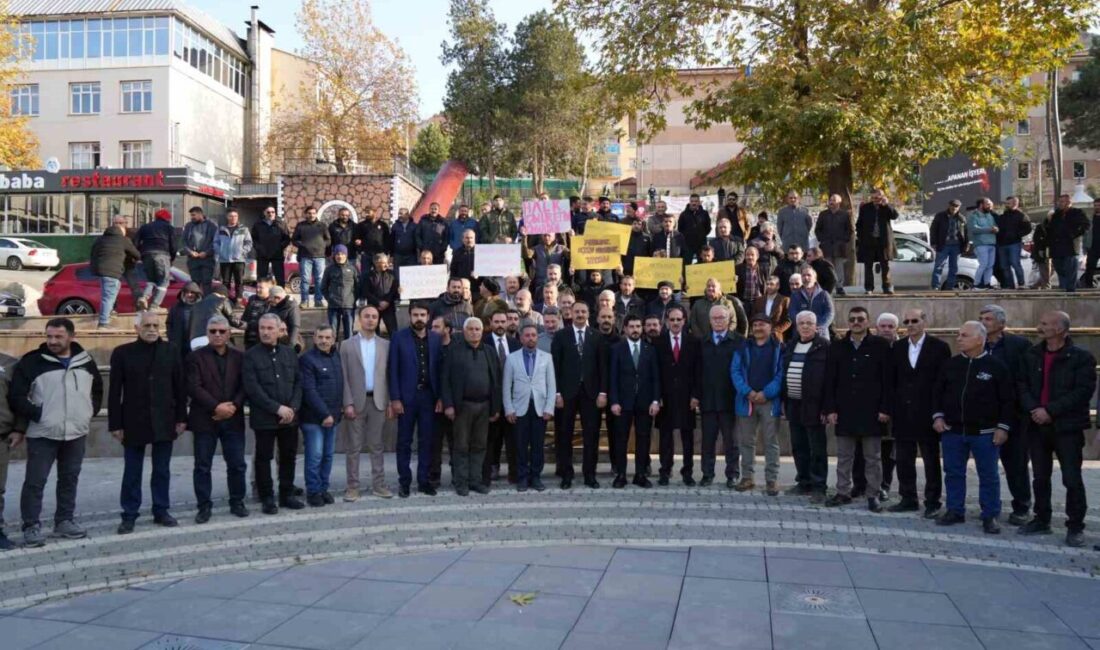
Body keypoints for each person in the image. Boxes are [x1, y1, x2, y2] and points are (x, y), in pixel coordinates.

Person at [9, 318, 103, 546]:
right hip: (43, 433)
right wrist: (39, 414)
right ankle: (31, 526)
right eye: (49, 336)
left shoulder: (85, 361)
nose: (52, 341)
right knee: (35, 482)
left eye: (58, 337)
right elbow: (17, 396)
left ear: (71, 337)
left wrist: (86, 413)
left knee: (69, 479)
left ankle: (64, 521)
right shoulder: (32, 362)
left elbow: (97, 390)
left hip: (76, 432)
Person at [1016, 311, 1096, 546]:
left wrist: (1050, 410)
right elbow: (1021, 385)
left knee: (1071, 478)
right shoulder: (1032, 354)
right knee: (1040, 477)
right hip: (1036, 425)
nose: (1040, 327)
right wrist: (1034, 409)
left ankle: (1075, 526)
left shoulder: (1081, 357)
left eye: (1045, 324)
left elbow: (1083, 392)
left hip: (1067, 427)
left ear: (1060, 329)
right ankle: (1042, 518)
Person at [932, 320, 1014, 534]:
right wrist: (938, 417)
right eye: (959, 334)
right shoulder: (950, 364)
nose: (959, 338)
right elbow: (937, 394)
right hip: (953, 431)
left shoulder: (996, 366)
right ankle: (955, 510)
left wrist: (1002, 427)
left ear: (980, 339)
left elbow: (1007, 400)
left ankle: (990, 515)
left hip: (985, 433)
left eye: (964, 335)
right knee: (953, 472)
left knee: (988, 475)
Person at [109, 311, 186, 534]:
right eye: (147, 326)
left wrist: (182, 418)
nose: (152, 329)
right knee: (132, 470)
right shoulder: (122, 353)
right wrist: (115, 424)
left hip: (165, 419)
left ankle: (161, 509)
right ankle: (129, 514)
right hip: (134, 420)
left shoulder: (170, 350)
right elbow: (114, 392)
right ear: (136, 329)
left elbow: (180, 387)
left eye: (155, 325)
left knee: (162, 469)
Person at [824, 306, 890, 512]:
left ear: (868, 322)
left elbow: (888, 381)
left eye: (860, 319)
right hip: (844, 411)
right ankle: (843, 492)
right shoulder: (838, 346)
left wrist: (885, 409)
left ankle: (873, 494)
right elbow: (830, 381)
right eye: (852, 319)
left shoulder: (880, 345)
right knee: (844, 457)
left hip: (872, 412)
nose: (856, 322)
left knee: (873, 458)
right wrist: (831, 409)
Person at [886, 309, 950, 517]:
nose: (911, 324)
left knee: (931, 460)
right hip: (903, 413)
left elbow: (943, 382)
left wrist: (939, 412)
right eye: (907, 321)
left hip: (928, 412)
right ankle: (908, 498)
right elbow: (892, 381)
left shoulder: (939, 347)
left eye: (915, 320)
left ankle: (932, 501)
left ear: (924, 321)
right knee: (904, 459)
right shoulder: (898, 347)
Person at [186, 315, 249, 523]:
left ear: (229, 333)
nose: (218, 335)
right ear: (207, 333)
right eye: (213, 331)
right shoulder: (195, 357)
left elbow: (244, 386)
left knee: (237, 464)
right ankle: (204, 506)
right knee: (202, 465)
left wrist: (233, 406)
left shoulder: (240, 357)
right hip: (205, 419)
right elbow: (194, 387)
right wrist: (216, 407)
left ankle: (237, 501)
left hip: (233, 418)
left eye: (222, 331)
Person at [243, 314, 303, 514]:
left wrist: (292, 408)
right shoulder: (251, 355)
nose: (266, 332)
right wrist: (277, 408)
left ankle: (286, 494)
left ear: (279, 330)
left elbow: (298, 383)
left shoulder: (289, 353)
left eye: (270, 328)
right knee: (263, 458)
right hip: (265, 417)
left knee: (288, 457)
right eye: (262, 328)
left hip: (289, 418)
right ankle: (267, 497)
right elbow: (253, 389)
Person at [979, 304, 1033, 525]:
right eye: (981, 318)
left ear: (1001, 323)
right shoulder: (975, 343)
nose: (983, 322)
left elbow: (1026, 378)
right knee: (986, 466)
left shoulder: (1019, 345)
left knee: (1016, 464)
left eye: (988, 319)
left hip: (1013, 415)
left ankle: (1021, 507)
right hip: (984, 415)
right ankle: (989, 507)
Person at [388, 303, 443, 497]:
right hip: (406, 398)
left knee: (426, 441)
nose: (419, 318)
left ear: (428, 317)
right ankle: (404, 482)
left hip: (429, 397)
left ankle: (423, 480)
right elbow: (392, 370)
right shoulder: (398, 337)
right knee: (404, 441)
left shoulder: (436, 339)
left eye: (422, 315)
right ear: (409, 316)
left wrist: (441, 397)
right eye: (415, 315)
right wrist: (395, 398)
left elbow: (440, 371)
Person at [338, 306, 393, 501]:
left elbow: (388, 376)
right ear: (359, 319)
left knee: (377, 446)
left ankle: (379, 484)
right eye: (367, 316)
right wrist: (347, 403)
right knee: (353, 447)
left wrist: (388, 402)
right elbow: (343, 376)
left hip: (378, 401)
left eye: (374, 317)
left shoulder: (386, 345)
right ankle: (352, 487)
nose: (370, 320)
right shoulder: (346, 345)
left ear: (378, 320)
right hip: (355, 402)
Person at [442, 317, 502, 495]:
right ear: (464, 331)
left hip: (484, 407)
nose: (474, 332)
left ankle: (475, 480)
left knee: (479, 446)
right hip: (462, 407)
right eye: (471, 329)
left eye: (478, 329)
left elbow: (496, 380)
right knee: (460, 446)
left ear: (482, 331)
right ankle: (461, 482)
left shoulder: (489, 351)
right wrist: (448, 405)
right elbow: (445, 379)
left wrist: (496, 408)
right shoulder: (454, 351)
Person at [551, 301, 607, 489]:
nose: (580, 314)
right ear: (570, 313)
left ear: (589, 314)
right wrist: (557, 393)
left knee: (591, 435)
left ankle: (589, 474)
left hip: (591, 393)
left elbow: (602, 368)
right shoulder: (561, 336)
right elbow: (555, 367)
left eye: (583, 311)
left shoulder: (597, 337)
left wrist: (602, 392)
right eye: (577, 312)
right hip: (566, 393)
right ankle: (566, 474)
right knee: (564, 434)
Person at [606, 314, 661, 488]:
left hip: (645, 403)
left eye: (638, 326)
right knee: (621, 439)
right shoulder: (616, 349)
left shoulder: (650, 349)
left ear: (642, 328)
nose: (635, 330)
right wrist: (613, 401)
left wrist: (655, 400)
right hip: (623, 403)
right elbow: (612, 378)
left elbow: (656, 378)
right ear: (625, 329)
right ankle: (621, 474)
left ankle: (640, 474)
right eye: (632, 327)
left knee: (643, 438)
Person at [731, 315, 784, 495]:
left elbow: (780, 375)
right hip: (747, 401)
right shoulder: (743, 346)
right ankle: (747, 477)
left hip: (770, 401)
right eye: (755, 325)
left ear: (770, 327)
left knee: (771, 442)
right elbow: (735, 371)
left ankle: (772, 480)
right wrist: (748, 392)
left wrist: (766, 393)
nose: (758, 328)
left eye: (762, 324)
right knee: (746, 441)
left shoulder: (779, 348)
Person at [782, 311, 830, 499]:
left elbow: (829, 380)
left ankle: (819, 486)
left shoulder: (823, 346)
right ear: (796, 325)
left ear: (816, 325)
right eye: (801, 323)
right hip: (794, 404)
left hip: (815, 406)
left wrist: (827, 408)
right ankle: (804, 481)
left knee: (817, 448)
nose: (805, 326)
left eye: (809, 323)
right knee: (798, 446)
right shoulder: (791, 344)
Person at [503, 324, 556, 492]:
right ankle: (522, 477)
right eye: (527, 335)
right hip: (519, 408)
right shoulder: (512, 358)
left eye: (534, 335)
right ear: (521, 338)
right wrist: (508, 408)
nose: (531, 338)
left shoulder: (546, 358)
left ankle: (536, 476)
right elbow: (506, 386)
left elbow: (551, 385)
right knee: (520, 445)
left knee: (538, 444)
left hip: (540, 408)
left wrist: (549, 407)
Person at [696, 305, 742, 488]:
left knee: (731, 441)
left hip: (729, 400)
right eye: (714, 318)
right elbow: (696, 373)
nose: (718, 321)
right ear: (709, 320)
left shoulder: (738, 341)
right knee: (707, 441)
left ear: (728, 319)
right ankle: (707, 474)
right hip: (707, 400)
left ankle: (732, 475)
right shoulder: (702, 342)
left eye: (721, 318)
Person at [653, 304, 699, 485]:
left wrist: (696, 395)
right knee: (665, 437)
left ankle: (687, 472)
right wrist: (657, 397)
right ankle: (665, 470)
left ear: (684, 321)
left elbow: (698, 371)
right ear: (666, 321)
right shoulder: (658, 342)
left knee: (687, 437)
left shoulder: (693, 342)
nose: (675, 322)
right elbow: (655, 373)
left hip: (687, 397)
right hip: (665, 397)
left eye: (679, 319)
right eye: (672, 319)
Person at [297, 325, 343, 507]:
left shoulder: (336, 357)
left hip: (333, 418)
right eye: (320, 337)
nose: (324, 341)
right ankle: (313, 491)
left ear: (333, 340)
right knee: (315, 456)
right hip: (313, 419)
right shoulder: (307, 360)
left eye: (327, 337)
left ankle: (324, 488)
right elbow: (309, 390)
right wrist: (325, 414)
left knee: (328, 456)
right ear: (314, 339)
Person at [485, 311, 521, 485]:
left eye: (503, 322)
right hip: (491, 398)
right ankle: (492, 467)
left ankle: (514, 473)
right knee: (492, 438)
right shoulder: (484, 342)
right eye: (496, 321)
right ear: (490, 322)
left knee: (512, 438)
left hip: (512, 399)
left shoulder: (515, 343)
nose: (500, 325)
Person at [90, 224, 140, 328]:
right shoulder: (123, 240)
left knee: (112, 291)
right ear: (121, 232)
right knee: (108, 297)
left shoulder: (100, 240)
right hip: (113, 271)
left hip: (101, 271)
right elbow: (136, 254)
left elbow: (93, 254)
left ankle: (110, 312)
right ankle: (103, 323)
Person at [856, 189, 898, 294]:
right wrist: (861, 237)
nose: (875, 200)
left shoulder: (886, 207)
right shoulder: (865, 208)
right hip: (869, 241)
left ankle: (887, 287)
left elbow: (895, 216)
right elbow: (859, 224)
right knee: (868, 266)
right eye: (874, 198)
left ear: (883, 197)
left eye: (878, 198)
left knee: (885, 266)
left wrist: (886, 204)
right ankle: (869, 288)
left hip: (883, 242)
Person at [136, 208, 178, 309]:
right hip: (162, 254)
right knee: (164, 281)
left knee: (151, 279)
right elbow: (173, 246)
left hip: (146, 255)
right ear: (168, 218)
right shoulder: (169, 228)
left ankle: (144, 297)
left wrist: (141, 254)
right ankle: (155, 305)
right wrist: (171, 259)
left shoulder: (145, 227)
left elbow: (135, 242)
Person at [1048, 194, 1090, 291]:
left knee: (1070, 268)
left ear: (1068, 203)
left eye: (1062, 202)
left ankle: (1070, 290)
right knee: (1059, 268)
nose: (1060, 204)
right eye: (1059, 202)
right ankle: (1064, 288)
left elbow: (1086, 225)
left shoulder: (1077, 213)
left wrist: (1074, 234)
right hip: (1057, 247)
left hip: (1070, 246)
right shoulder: (1056, 215)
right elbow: (1051, 229)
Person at [292, 206, 331, 308]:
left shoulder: (322, 226)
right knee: (305, 280)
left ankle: (318, 301)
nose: (311, 215)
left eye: (313, 213)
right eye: (309, 213)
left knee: (319, 280)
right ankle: (304, 301)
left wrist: (322, 245)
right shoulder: (300, 226)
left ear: (316, 214)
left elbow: (328, 240)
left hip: (320, 257)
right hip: (305, 256)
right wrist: (303, 245)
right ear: (306, 214)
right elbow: (294, 240)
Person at [814, 194, 853, 294]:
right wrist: (822, 240)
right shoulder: (823, 214)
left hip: (839, 247)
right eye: (830, 200)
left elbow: (849, 230)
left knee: (839, 267)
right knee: (827, 267)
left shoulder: (844, 215)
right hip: (826, 246)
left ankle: (839, 287)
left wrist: (844, 240)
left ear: (839, 202)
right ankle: (828, 287)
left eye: (834, 200)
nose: (831, 202)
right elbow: (818, 229)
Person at [319, 244, 358, 341]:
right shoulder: (329, 269)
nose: (340, 256)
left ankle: (348, 354)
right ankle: (332, 354)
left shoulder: (353, 268)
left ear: (346, 255)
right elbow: (323, 287)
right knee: (332, 334)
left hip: (348, 306)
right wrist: (330, 298)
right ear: (334, 255)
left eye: (342, 254)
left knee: (349, 334)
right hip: (333, 306)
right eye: (337, 254)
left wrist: (353, 299)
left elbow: (358, 286)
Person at [930, 199, 968, 290]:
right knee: (938, 266)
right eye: (953, 205)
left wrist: (967, 245)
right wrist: (934, 243)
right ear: (949, 205)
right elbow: (933, 230)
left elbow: (966, 233)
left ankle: (949, 287)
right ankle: (935, 286)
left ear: (959, 207)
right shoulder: (940, 216)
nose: (954, 208)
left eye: (956, 206)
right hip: (943, 245)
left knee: (953, 268)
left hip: (956, 246)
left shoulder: (962, 218)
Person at [214, 209, 252, 301]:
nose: (233, 218)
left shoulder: (243, 229)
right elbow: (216, 242)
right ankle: (226, 301)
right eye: (231, 216)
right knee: (225, 282)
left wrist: (242, 252)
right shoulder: (221, 229)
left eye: (235, 216)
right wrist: (221, 252)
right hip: (225, 259)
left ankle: (238, 300)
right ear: (227, 217)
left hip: (239, 260)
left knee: (239, 281)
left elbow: (249, 242)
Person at [995, 196, 1032, 289]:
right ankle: (1010, 285)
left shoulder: (1021, 215)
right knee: (1004, 266)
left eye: (1009, 203)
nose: (1006, 205)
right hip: (1002, 244)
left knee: (1015, 263)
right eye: (1006, 203)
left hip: (1014, 243)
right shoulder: (1002, 216)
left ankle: (1021, 284)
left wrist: (1017, 235)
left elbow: (1028, 228)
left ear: (1015, 203)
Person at [788, 267, 834, 340]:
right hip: (800, 334)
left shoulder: (824, 294)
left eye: (809, 275)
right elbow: (792, 312)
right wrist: (803, 325)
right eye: (803, 275)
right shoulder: (795, 295)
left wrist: (819, 327)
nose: (806, 277)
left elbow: (829, 313)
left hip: (820, 334)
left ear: (815, 278)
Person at [182, 206, 218, 294]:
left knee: (207, 282)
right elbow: (183, 241)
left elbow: (216, 242)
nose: (192, 217)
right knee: (194, 283)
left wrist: (207, 252)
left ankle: (206, 304)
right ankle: (196, 303)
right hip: (193, 259)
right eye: (191, 215)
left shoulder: (212, 225)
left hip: (207, 259)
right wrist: (190, 252)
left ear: (200, 214)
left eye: (194, 215)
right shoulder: (188, 226)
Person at [360, 253, 398, 337]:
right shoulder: (368, 275)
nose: (386, 265)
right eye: (383, 263)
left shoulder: (392, 274)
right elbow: (366, 292)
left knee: (393, 332)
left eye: (386, 262)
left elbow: (394, 290)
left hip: (389, 307)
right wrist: (378, 302)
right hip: (373, 307)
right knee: (373, 333)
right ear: (376, 263)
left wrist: (387, 301)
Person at [252, 206, 291, 286]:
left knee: (279, 278)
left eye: (273, 212)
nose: (270, 214)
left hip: (277, 255)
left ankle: (280, 296)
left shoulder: (281, 224)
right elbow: (253, 239)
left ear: (275, 213)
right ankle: (261, 296)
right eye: (268, 212)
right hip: (262, 255)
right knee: (261, 278)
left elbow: (287, 238)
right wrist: (259, 248)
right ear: (264, 213)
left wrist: (279, 247)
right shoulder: (258, 225)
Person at [966, 197, 998, 289]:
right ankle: (976, 284)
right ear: (981, 205)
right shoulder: (973, 215)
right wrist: (989, 229)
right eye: (987, 204)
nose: (990, 206)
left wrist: (996, 229)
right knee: (983, 264)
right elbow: (974, 229)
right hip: (980, 244)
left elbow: (995, 225)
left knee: (990, 265)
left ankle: (987, 283)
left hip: (992, 243)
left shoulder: (990, 215)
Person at [751, 275, 790, 342]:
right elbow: (754, 317)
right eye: (767, 284)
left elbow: (788, 320)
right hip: (760, 335)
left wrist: (776, 330)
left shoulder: (784, 300)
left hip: (776, 336)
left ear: (778, 286)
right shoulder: (759, 300)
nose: (768, 286)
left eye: (771, 284)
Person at [678, 193, 711, 263]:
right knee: (686, 264)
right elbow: (680, 229)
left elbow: (708, 228)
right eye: (692, 201)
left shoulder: (704, 214)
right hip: (687, 244)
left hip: (701, 244)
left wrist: (701, 234)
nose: (694, 203)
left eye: (696, 201)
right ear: (689, 202)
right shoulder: (683, 214)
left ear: (699, 202)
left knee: (702, 263)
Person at [266, 286, 302, 352]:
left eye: (271, 298)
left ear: (278, 298)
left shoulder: (292, 306)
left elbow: (295, 327)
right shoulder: (273, 305)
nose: (269, 300)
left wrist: (290, 347)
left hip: (286, 341)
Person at [1083, 197, 1100, 288]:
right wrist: (1085, 247)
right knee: (1090, 267)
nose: (1097, 207)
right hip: (1092, 247)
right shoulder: (1090, 218)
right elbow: (1086, 233)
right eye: (1095, 206)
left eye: (1098, 205)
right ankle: (1088, 287)